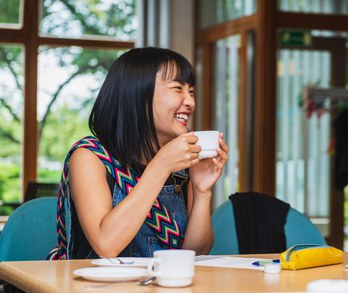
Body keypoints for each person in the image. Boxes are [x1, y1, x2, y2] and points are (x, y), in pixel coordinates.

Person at [47, 47, 228, 260]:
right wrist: (160, 166)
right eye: (178, 88)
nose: (190, 102)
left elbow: (195, 254)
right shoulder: (89, 157)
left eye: (191, 91)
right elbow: (107, 245)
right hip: (95, 291)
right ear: (138, 93)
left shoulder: (181, 164)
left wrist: (201, 191)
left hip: (159, 289)